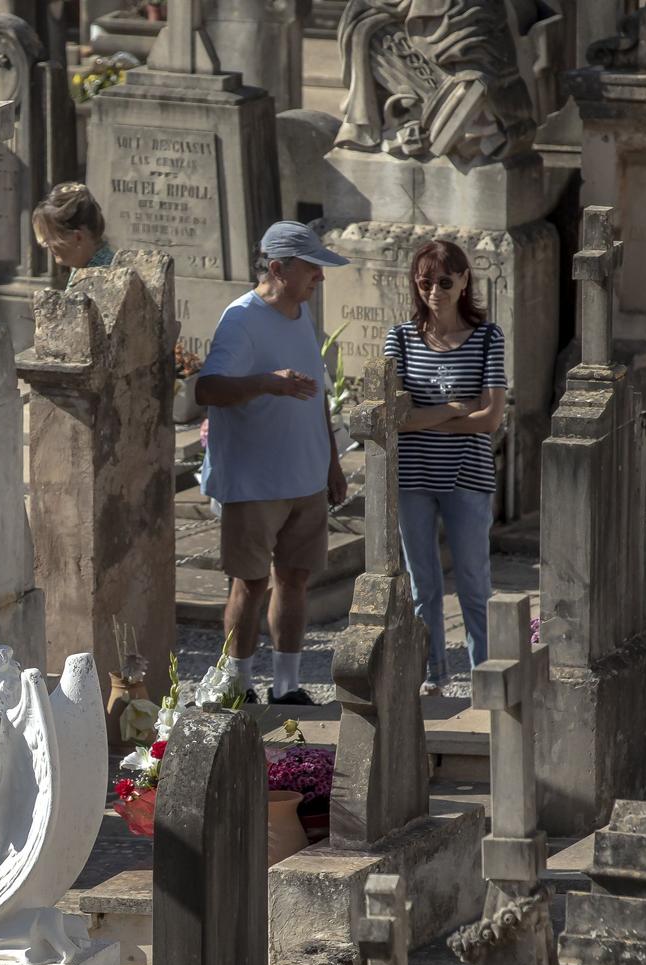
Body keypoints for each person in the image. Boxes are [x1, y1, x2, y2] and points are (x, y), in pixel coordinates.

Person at [195, 221, 351, 705]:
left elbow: (318, 396)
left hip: (305, 476)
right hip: (255, 481)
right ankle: (236, 684)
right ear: (279, 269)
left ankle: (287, 686)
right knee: (251, 581)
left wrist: (331, 463)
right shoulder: (241, 319)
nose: (320, 279)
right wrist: (266, 382)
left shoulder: (299, 313)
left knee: (296, 579)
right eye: (312, 269)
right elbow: (207, 389)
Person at [385, 239, 506, 694]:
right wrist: (456, 407)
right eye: (424, 281)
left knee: (475, 584)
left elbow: (491, 419)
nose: (433, 290)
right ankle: (432, 674)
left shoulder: (487, 338)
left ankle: (486, 677)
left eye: (443, 281)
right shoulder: (399, 337)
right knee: (423, 586)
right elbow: (395, 417)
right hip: (413, 477)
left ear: (463, 282)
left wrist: (426, 418)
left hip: (468, 477)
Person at [31, 182, 115, 272]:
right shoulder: (85, 267)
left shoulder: (104, 275)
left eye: (51, 237)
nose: (46, 244)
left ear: (78, 237)